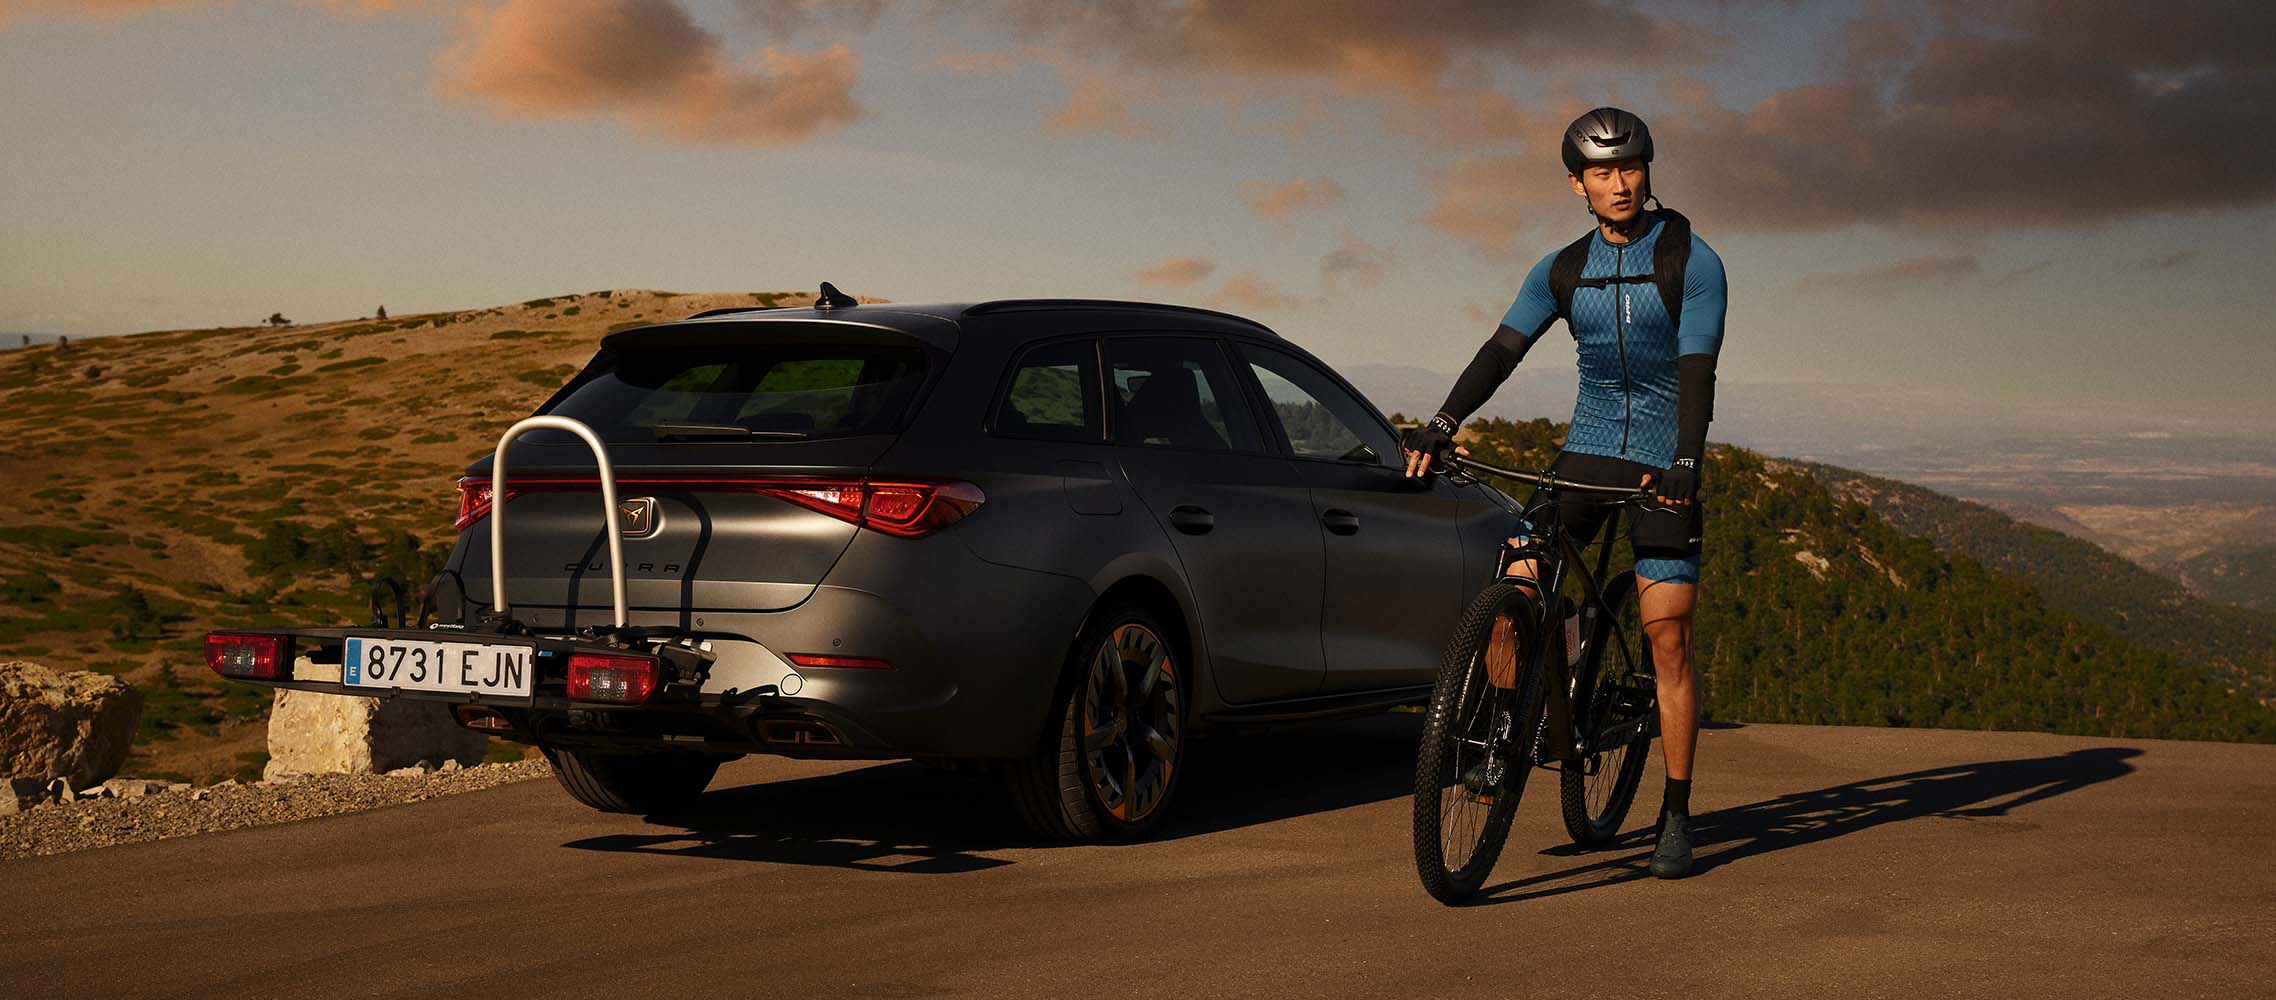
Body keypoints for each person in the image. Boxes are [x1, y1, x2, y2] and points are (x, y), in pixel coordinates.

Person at [1401, 107, 1727, 879]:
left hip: (1661, 463)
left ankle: (1675, 814)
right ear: (1575, 183)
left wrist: (1686, 460)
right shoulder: (1562, 269)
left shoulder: (1692, 259)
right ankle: (1505, 738)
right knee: (1515, 585)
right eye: (1603, 173)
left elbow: (1695, 373)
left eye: (1631, 168)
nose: (1620, 185)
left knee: (1668, 640)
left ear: (1648, 171)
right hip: (1582, 456)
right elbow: (1502, 349)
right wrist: (1443, 422)